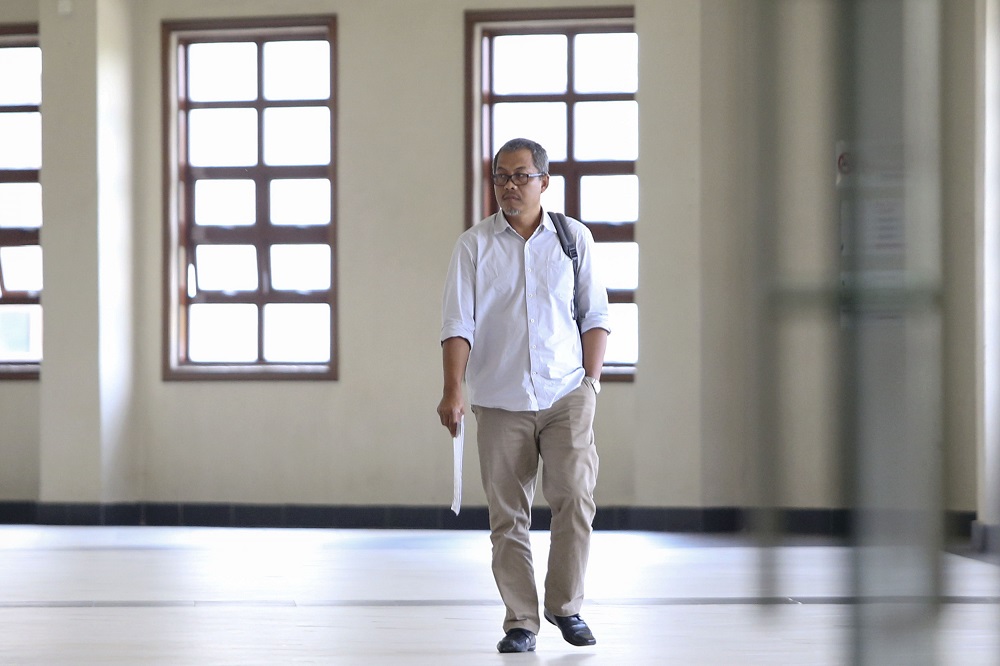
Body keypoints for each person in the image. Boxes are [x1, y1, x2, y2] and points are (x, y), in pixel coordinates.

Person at [437, 137, 610, 653]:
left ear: (544, 182)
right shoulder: (473, 246)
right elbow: (458, 324)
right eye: (501, 177)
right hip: (499, 398)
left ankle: (566, 607)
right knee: (508, 515)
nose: (509, 186)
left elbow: (595, 314)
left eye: (520, 176)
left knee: (575, 497)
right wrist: (453, 390)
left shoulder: (573, 239)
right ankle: (521, 621)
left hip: (566, 393)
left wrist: (592, 383)